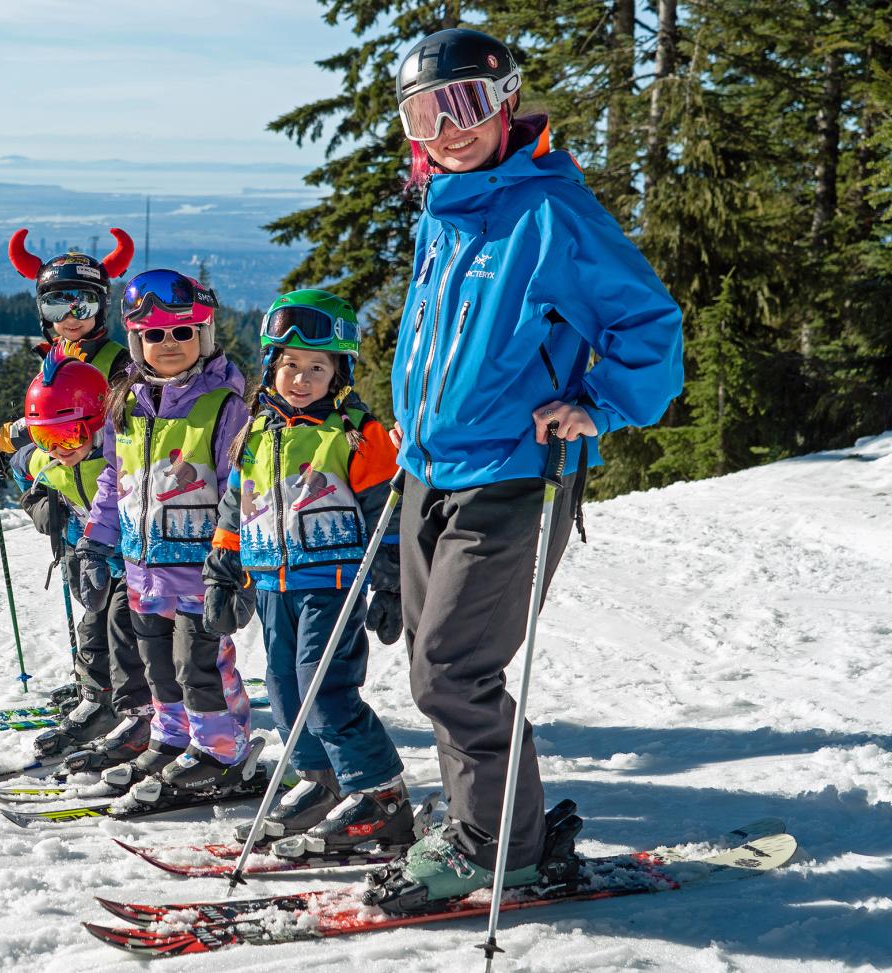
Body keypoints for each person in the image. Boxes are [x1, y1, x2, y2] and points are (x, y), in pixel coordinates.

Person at [362, 28, 684, 911]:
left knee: (453, 671)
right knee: (436, 671)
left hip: (512, 475)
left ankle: (498, 845)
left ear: (507, 103)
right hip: (430, 472)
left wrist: (600, 404)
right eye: (427, 109)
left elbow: (652, 329)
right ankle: (486, 822)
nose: (449, 126)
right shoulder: (445, 203)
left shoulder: (553, 214)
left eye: (466, 103)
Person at [202, 289, 411, 855]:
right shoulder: (257, 432)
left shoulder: (357, 435)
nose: (300, 378)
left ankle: (380, 796)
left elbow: (387, 519)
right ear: (271, 367)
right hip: (272, 583)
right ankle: (320, 783)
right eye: (290, 366)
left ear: (338, 373)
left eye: (316, 367)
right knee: (285, 690)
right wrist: (224, 571)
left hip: (333, 586)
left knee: (326, 692)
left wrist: (392, 583)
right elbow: (234, 505)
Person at [73, 269, 256, 802]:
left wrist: (233, 563)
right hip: (142, 566)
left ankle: (223, 753)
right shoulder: (127, 402)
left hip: (201, 570)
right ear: (136, 340)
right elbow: (113, 477)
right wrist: (95, 539)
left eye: (182, 331)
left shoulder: (224, 405)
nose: (169, 344)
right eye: (154, 334)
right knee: (156, 665)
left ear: (204, 334)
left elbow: (239, 488)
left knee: (199, 665)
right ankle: (174, 738)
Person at [7, 347, 151, 766]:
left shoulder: (117, 455)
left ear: (95, 422)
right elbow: (21, 467)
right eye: (46, 438)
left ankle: (137, 716)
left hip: (133, 560)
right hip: (87, 557)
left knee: (125, 634)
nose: (59, 449)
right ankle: (96, 701)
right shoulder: (45, 459)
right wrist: (38, 503)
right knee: (91, 631)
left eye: (68, 436)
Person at [0, 229, 135, 458]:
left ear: (102, 308)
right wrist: (3, 440)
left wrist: (6, 439)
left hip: (102, 474)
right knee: (22, 463)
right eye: (56, 308)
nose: (71, 318)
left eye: (84, 306)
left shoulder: (119, 364)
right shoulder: (53, 357)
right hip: (60, 472)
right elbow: (43, 418)